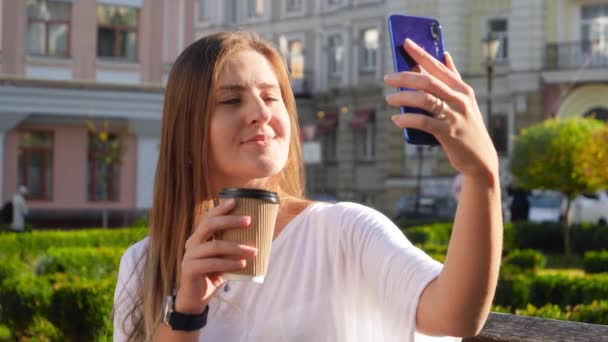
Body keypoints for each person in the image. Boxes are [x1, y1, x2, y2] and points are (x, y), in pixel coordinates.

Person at [113, 32, 503, 342]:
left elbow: (456, 315)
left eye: (271, 96)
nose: (262, 113)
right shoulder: (144, 264)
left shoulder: (343, 231)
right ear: (186, 132)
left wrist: (481, 174)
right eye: (231, 100)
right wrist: (187, 310)